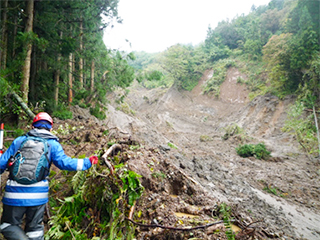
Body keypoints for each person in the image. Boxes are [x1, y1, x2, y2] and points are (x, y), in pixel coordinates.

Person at [0, 112, 98, 240]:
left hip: (14, 194)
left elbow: (2, 164)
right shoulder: (53, 145)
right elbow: (65, 163)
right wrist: (88, 162)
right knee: (35, 231)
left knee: (8, 226)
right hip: (38, 196)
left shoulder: (19, 141)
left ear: (32, 126)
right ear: (51, 128)